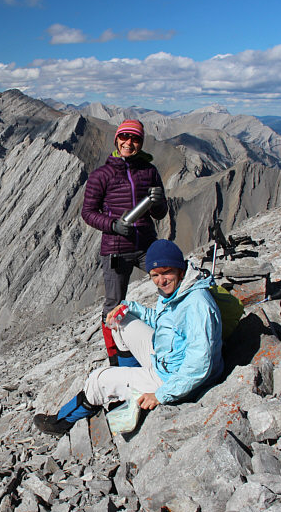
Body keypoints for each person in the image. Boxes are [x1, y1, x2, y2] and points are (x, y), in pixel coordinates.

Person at [33, 240, 223, 435]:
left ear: (180, 270)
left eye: (166, 272)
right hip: (168, 358)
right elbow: (164, 323)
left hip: (173, 380)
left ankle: (61, 422)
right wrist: (131, 308)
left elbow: (199, 364)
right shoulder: (181, 290)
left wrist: (160, 395)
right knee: (120, 321)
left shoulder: (197, 305)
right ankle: (126, 392)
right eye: (155, 275)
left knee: (97, 380)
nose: (161, 280)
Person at [81, 119, 167, 367]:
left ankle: (170, 333)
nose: (129, 143)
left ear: (141, 143)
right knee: (113, 305)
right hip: (115, 249)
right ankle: (117, 358)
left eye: (135, 139)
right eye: (125, 137)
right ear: (117, 139)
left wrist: (160, 201)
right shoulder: (101, 175)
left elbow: (159, 213)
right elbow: (88, 212)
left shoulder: (149, 171)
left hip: (146, 244)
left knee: (170, 282)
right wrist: (112, 225)